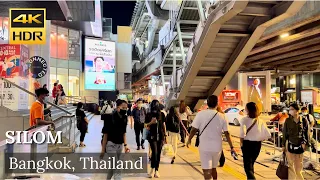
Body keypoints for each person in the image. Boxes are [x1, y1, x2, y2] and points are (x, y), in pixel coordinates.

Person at [187, 95, 236, 180]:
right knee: (213, 168)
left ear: (207, 103)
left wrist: (189, 140)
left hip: (204, 147)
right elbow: (227, 133)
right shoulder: (222, 116)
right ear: (217, 103)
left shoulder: (200, 114)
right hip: (217, 147)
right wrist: (232, 147)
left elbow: (193, 129)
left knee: (206, 170)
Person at [100, 100, 130, 180]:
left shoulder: (125, 118)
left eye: (126, 108)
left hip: (120, 146)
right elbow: (105, 135)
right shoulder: (109, 117)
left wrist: (126, 145)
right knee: (117, 167)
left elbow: (124, 133)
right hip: (110, 145)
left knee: (113, 167)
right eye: (123, 107)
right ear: (117, 107)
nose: (125, 109)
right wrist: (103, 150)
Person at [240, 102, 271, 179]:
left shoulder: (244, 120)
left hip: (247, 144)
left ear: (248, 110)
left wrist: (241, 143)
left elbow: (242, 133)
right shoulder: (260, 121)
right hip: (257, 145)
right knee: (251, 164)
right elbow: (268, 134)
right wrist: (260, 138)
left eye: (246, 108)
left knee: (247, 166)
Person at [282, 103, 310, 180]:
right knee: (290, 165)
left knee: (299, 166)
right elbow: (285, 133)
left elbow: (307, 133)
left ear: (297, 110)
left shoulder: (304, 120)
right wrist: (283, 145)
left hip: (300, 145)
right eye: (289, 109)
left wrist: (306, 144)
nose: (290, 111)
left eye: (292, 109)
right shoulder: (288, 120)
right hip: (290, 144)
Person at [145, 100, 167, 178]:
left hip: (160, 136)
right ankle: (152, 169)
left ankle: (156, 170)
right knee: (154, 152)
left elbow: (164, 125)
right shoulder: (148, 115)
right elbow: (145, 126)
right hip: (152, 136)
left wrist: (165, 135)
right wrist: (151, 123)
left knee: (158, 153)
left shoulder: (162, 114)